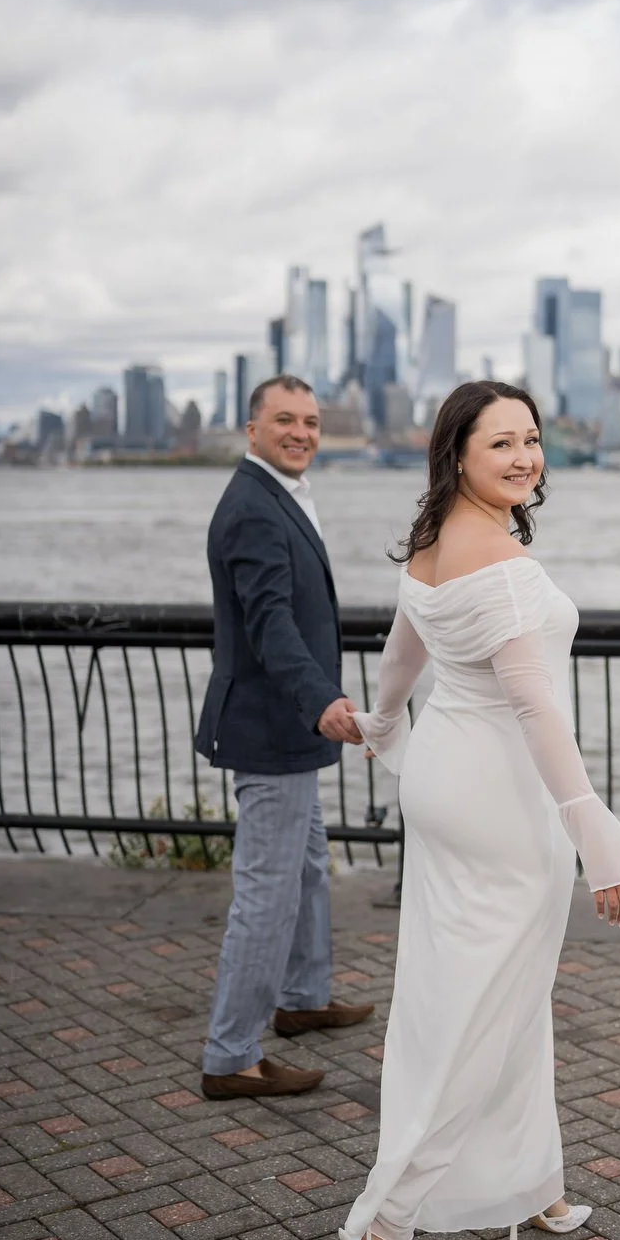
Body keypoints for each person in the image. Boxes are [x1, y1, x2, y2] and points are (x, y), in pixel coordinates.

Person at [336, 380, 620, 1240]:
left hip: (447, 780)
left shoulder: (437, 543)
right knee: (481, 1010)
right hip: (503, 803)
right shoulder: (502, 565)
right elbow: (535, 707)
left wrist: (379, 725)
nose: (523, 457)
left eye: (532, 440)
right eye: (501, 443)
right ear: (459, 454)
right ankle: (387, 1224)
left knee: (497, 997)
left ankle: (531, 1184)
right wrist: (598, 834)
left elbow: (403, 652)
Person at [195, 375, 374, 1099]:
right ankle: (229, 1054)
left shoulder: (277, 496)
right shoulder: (255, 509)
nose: (301, 432)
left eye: (311, 421)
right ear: (252, 429)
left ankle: (301, 999)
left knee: (305, 868)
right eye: (285, 420)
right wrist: (321, 699)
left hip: (285, 729)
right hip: (274, 729)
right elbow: (269, 623)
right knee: (267, 893)